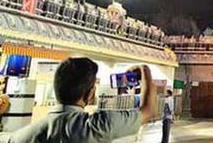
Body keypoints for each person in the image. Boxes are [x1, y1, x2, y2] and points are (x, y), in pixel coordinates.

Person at [8, 57, 157, 143]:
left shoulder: (17, 137)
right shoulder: (98, 126)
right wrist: (145, 70)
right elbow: (148, 111)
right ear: (89, 93)